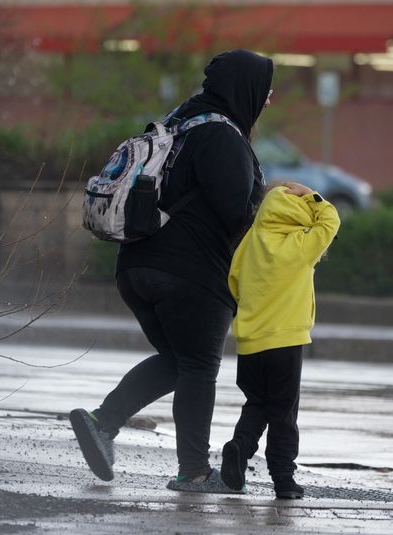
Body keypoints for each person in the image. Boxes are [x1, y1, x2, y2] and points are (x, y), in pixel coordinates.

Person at [70, 49, 273, 493]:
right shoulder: (223, 136)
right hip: (191, 275)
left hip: (136, 266)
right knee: (199, 366)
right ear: (247, 90)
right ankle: (195, 471)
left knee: (179, 362)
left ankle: (102, 424)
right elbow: (235, 211)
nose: (268, 100)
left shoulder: (177, 126)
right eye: (266, 91)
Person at [220, 182, 340, 499]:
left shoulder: (251, 241)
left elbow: (234, 282)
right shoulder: (299, 244)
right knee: (283, 413)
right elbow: (331, 220)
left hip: (249, 341)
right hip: (285, 341)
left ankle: (239, 447)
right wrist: (312, 195)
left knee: (257, 403)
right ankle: (284, 480)